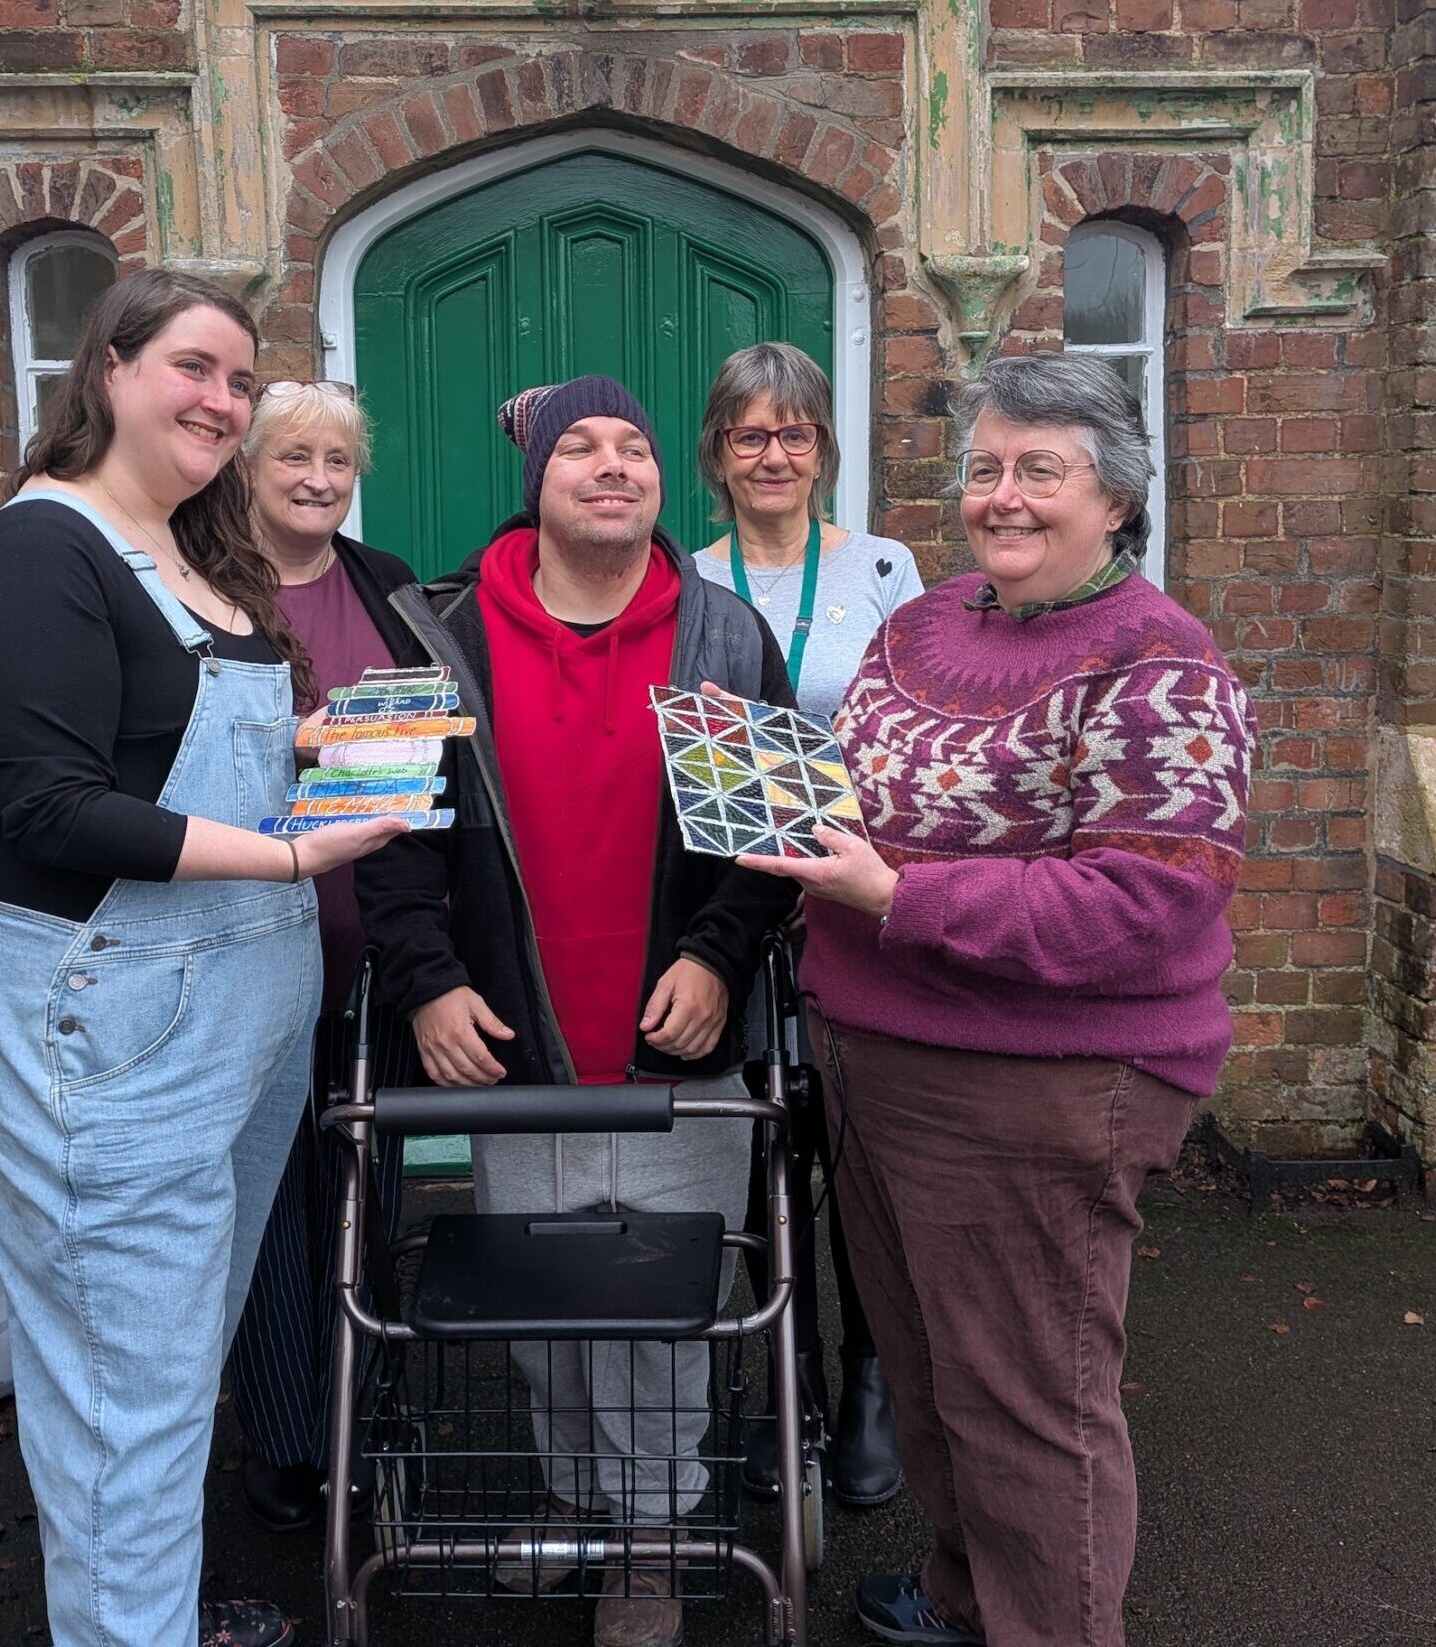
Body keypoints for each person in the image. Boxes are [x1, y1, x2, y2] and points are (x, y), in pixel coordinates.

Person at [739, 353, 1253, 1647]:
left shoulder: (1163, 664)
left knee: (1031, 1407)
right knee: (926, 1376)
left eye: (1041, 469)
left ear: (1116, 498)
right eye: (985, 467)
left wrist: (895, 893)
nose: (1003, 496)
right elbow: (853, 785)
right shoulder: (925, 619)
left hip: (1038, 1082)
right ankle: (968, 1590)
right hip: (874, 1054)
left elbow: (1147, 900)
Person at [0, 269, 405, 1647]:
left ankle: (149, 1611)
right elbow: (47, 801)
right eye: (194, 366)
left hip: (240, 1016)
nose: (221, 399)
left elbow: (185, 741)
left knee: (164, 1360)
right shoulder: (41, 551)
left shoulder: (196, 547)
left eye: (241, 380)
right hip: (120, 1025)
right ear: (113, 367)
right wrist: (294, 854)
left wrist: (328, 750)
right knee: (119, 1391)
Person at [355, 375, 798, 1647]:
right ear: (538, 481)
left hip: (676, 1054)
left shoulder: (721, 635)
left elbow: (768, 843)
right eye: (582, 449)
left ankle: (652, 1543)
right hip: (513, 1053)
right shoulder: (429, 634)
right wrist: (428, 979)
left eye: (634, 448)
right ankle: (570, 1511)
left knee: (660, 1323)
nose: (613, 467)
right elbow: (384, 842)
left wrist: (719, 953)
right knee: (548, 1323)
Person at [690, 340, 921, 1509]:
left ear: (823, 448)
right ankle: (784, 1383)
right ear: (718, 458)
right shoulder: (684, 578)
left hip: (852, 897)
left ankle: (872, 1382)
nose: (772, 453)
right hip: (732, 899)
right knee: (757, 1155)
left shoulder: (884, 566)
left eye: (794, 433)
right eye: (749, 435)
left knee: (861, 1151)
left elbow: (922, 729)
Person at [223, 379, 428, 1534]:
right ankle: (293, 1442)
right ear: (247, 467)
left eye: (337, 461)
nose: (317, 479)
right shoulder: (208, 591)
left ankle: (371, 1400)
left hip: (377, 939)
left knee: (369, 1184)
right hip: (249, 937)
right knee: (266, 1197)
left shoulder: (387, 583)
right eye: (293, 456)